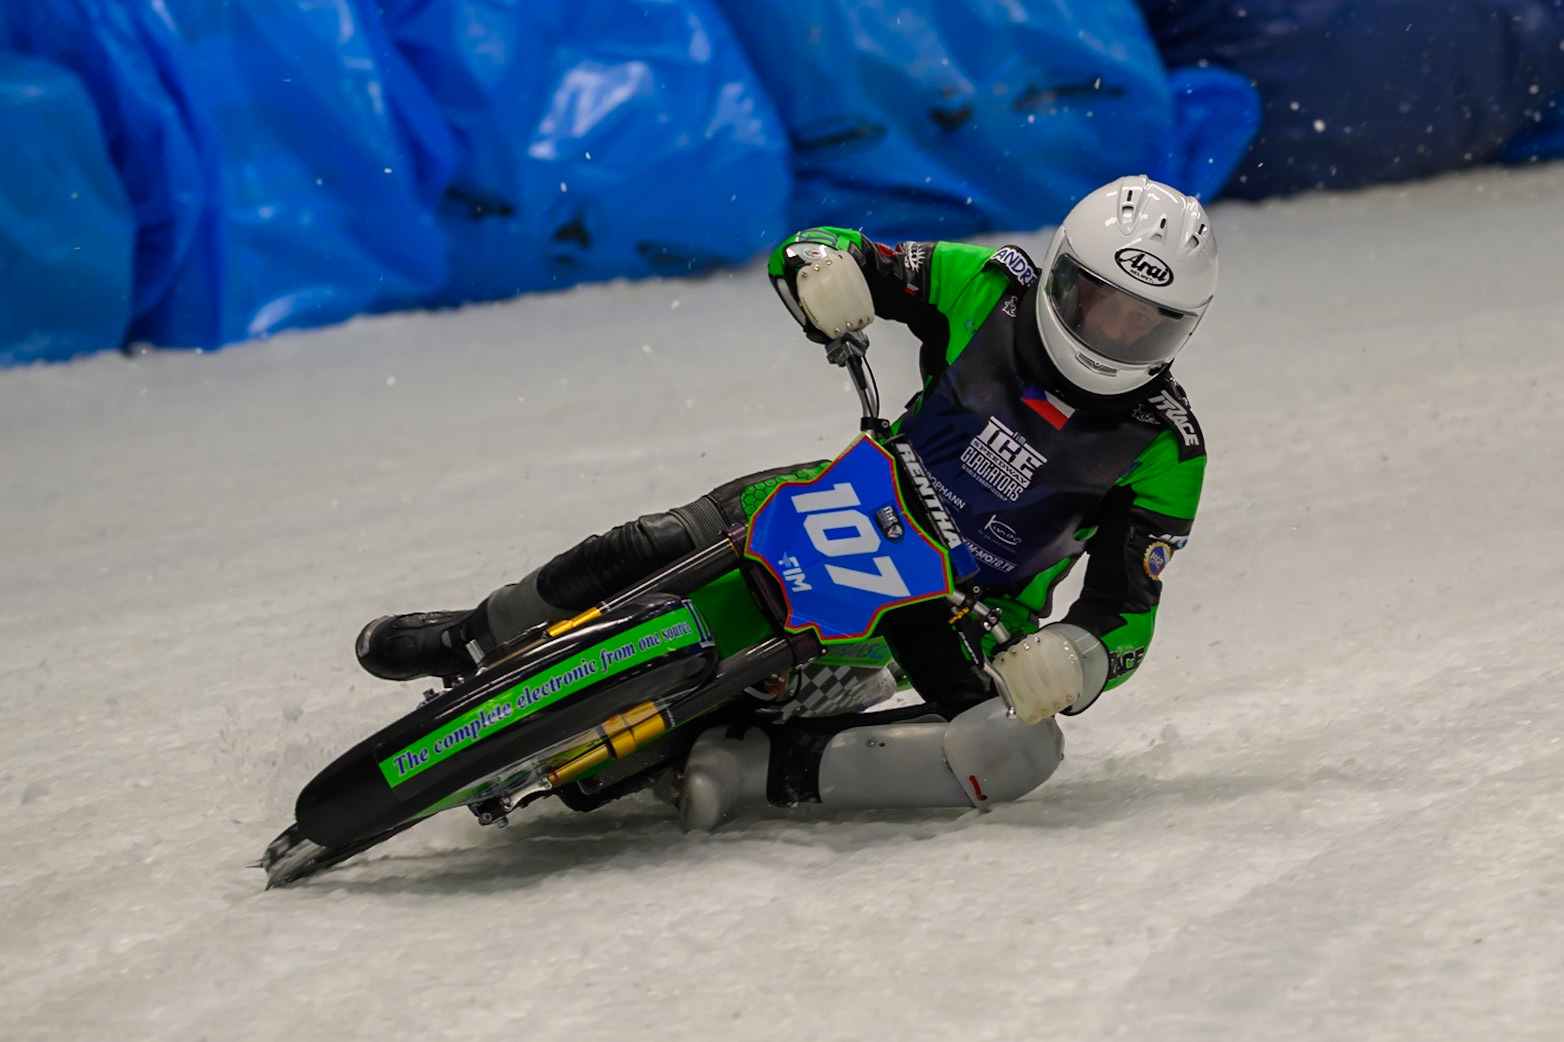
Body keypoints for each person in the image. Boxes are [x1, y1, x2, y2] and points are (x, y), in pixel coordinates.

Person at [356, 175, 1216, 830]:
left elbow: (1124, 617)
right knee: (652, 541)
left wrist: (1077, 660)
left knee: (1017, 751)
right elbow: (824, 247)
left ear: (1183, 330)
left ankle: (755, 767)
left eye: (1148, 321)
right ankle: (476, 633)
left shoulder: (1167, 448)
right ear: (1062, 272)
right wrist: (825, 272)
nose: (1115, 331)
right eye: (1099, 301)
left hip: (963, 610)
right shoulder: (986, 281)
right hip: (851, 494)